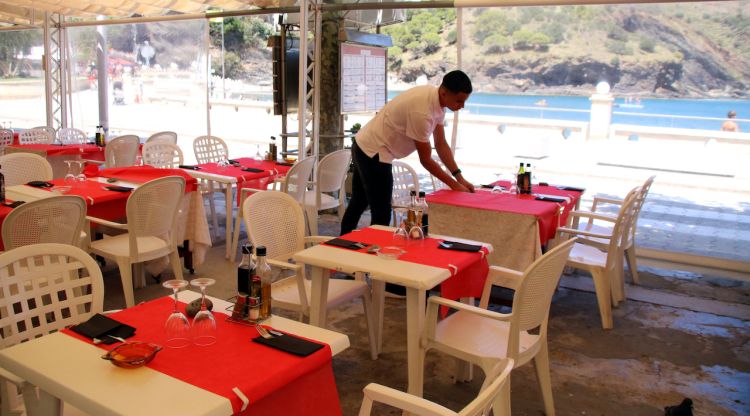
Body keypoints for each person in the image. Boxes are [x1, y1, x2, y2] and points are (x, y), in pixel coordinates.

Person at [341, 70, 475, 236]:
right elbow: (425, 160)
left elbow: (441, 145)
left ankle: (342, 242)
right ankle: (370, 253)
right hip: (374, 151)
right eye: (459, 101)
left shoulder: (438, 101)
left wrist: (459, 177)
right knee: (381, 213)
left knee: (359, 202)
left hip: (366, 144)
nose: (462, 106)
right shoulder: (422, 112)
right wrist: (454, 185)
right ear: (444, 93)